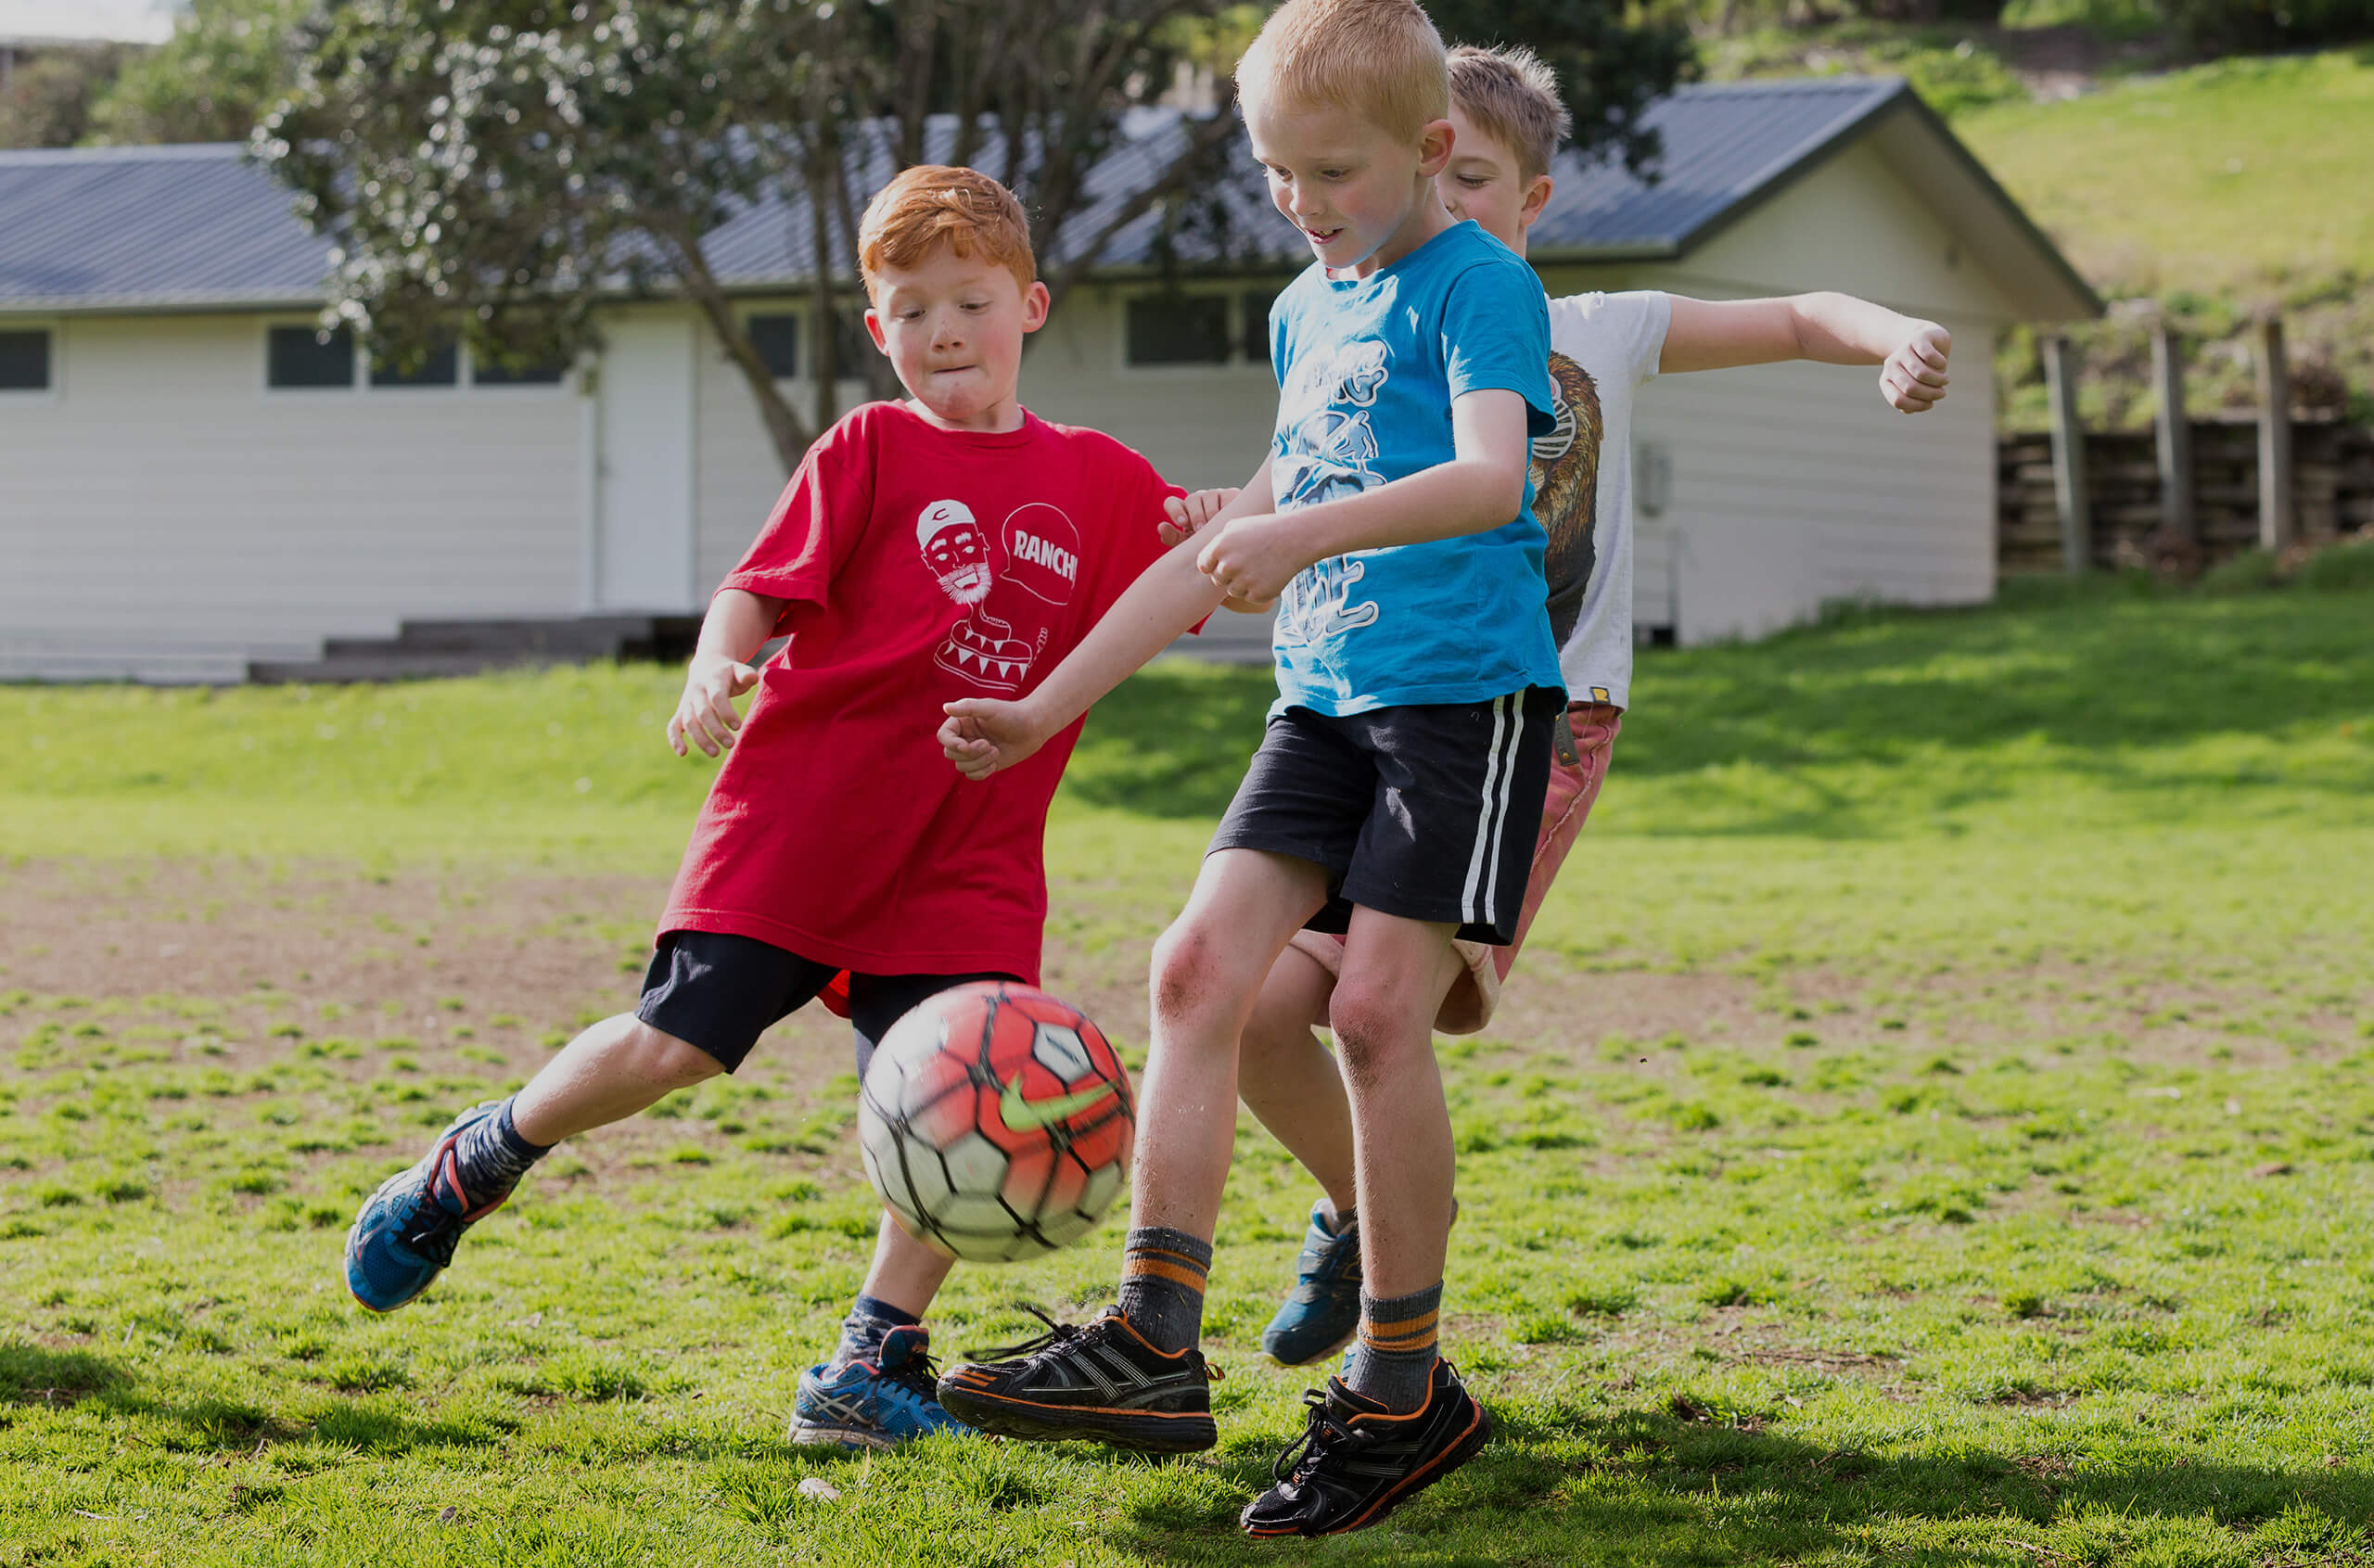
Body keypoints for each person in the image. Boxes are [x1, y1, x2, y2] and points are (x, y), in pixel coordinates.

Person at [338, 163, 1231, 1452]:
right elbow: (754, 592)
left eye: (970, 302)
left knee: (960, 1094)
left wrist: (1210, 520)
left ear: (1028, 307)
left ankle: (870, 1359)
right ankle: (479, 1157)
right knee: (675, 1048)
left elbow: (1208, 568)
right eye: (912, 310)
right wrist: (716, 663)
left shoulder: (1100, 478)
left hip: (966, 852)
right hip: (803, 817)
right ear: (879, 332)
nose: (944, 333)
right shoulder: (866, 447)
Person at [1200, 42, 1955, 1370]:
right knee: (1258, 1013)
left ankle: (1398, 1311)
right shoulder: (1358, 318)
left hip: (1540, 721)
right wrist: (1222, 523)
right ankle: (1367, 1209)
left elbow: (1791, 315)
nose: (1456, 202)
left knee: (1379, 1013)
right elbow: (1293, 482)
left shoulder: (1587, 328)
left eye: (1481, 178)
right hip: (1375, 704)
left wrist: (1892, 337)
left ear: (1519, 196)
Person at [927, 0, 1564, 1536]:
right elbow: (1226, 553)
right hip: (1324, 702)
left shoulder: (1475, 285)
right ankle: (1155, 1341)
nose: (1304, 200)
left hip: (1460, 705)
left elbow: (1485, 477)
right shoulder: (1307, 307)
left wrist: (1298, 531)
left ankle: (1403, 1389)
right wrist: (1041, 703)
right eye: (1277, 170)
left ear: (1427, 151)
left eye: (1332, 171)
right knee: (1196, 970)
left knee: (1368, 1013)